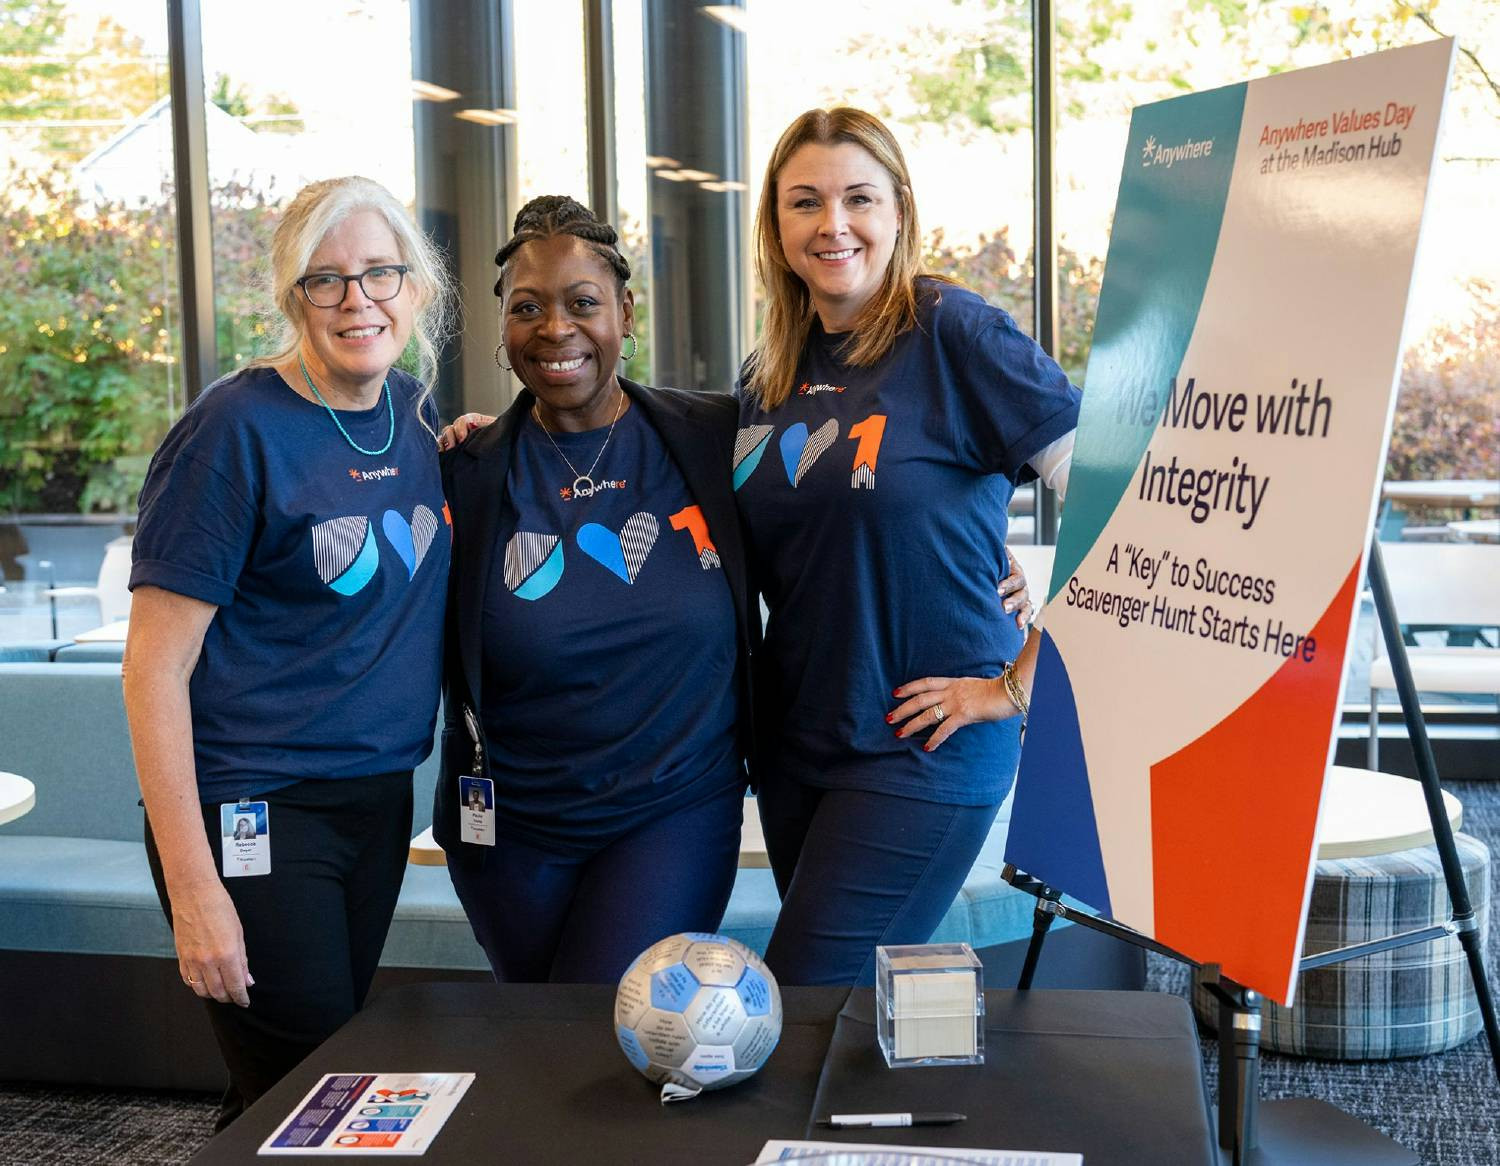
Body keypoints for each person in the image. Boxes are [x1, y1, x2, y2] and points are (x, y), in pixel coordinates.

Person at [122, 175, 454, 1127]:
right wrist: (195, 891)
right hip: (255, 809)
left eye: (380, 274)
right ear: (291, 297)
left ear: (417, 288)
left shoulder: (421, 419)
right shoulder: (234, 430)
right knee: (319, 1091)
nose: (359, 300)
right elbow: (153, 668)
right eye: (327, 280)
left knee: (292, 1089)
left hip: (376, 802)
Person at [734, 107, 1079, 986]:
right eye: (804, 202)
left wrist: (1015, 684)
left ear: (898, 212)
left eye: (858, 198)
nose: (832, 224)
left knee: (805, 997)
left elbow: (1123, 511)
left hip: (926, 742)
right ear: (776, 225)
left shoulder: (956, 333)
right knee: (851, 1014)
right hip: (801, 737)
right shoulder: (768, 370)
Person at [434, 195, 757, 983]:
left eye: (583, 303)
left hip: (673, 810)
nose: (556, 329)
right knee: (544, 1038)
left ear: (625, 311)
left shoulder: (713, 439)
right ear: (502, 326)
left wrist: (984, 570)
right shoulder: (464, 471)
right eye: (527, 308)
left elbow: (839, 527)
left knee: (597, 1019)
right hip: (510, 830)